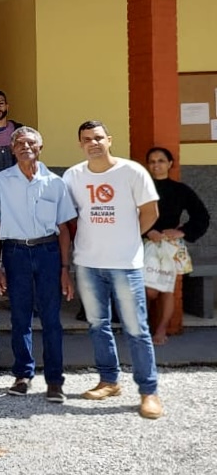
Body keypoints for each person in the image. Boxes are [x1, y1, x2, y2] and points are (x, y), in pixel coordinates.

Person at [63, 121, 164, 419]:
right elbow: (70, 217)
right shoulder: (73, 176)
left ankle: (149, 392)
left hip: (125, 264)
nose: (93, 143)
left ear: (109, 140)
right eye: (86, 139)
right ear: (80, 144)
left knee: (136, 329)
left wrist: (129, 238)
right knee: (97, 325)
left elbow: (150, 212)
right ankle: (109, 381)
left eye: (98, 137)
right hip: (88, 263)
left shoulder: (132, 171)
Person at [0, 126, 76, 402]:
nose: (25, 147)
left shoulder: (55, 183)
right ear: (12, 149)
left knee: (51, 319)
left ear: (40, 148)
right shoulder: (0, 181)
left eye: (31, 142)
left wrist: (64, 269)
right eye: (19, 143)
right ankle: (23, 374)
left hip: (48, 252)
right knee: (21, 317)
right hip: (15, 253)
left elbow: (64, 228)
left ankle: (55, 381)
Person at [144, 146, 210, 345]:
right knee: (148, 290)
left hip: (170, 246)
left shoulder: (181, 190)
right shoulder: (140, 188)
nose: (157, 165)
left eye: (161, 161)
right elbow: (128, 216)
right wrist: (147, 231)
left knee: (167, 288)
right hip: (145, 243)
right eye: (152, 161)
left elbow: (202, 216)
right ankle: (142, 327)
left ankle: (162, 329)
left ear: (170, 164)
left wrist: (181, 231)